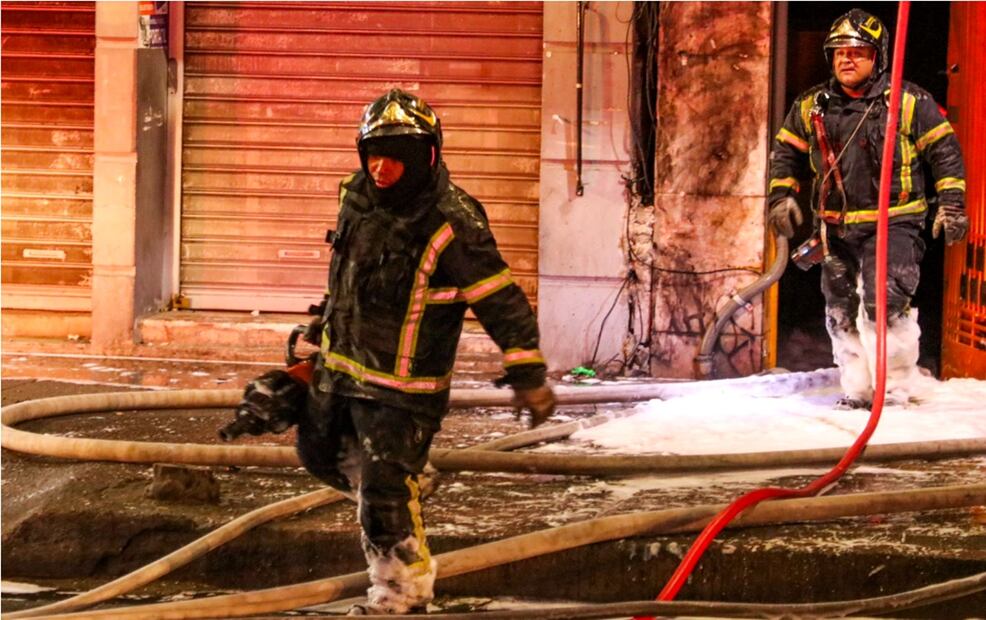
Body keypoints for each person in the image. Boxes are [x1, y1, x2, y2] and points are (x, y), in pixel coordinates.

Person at [296, 89, 556, 615]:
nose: (381, 167)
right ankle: (405, 480)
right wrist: (318, 327)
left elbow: (498, 297)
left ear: (427, 156)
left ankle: (400, 597)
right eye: (373, 154)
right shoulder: (356, 195)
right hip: (340, 368)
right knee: (318, 454)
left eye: (397, 157)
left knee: (382, 497)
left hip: (402, 389)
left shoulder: (452, 219)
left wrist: (526, 367)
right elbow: (347, 272)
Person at [768, 9, 968, 408]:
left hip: (895, 223)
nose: (846, 59)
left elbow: (945, 154)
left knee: (884, 304)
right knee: (841, 308)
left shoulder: (908, 102)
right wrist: (780, 196)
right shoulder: (812, 106)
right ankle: (859, 389)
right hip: (836, 228)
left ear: (877, 57)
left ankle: (892, 392)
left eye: (858, 51)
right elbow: (785, 152)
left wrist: (952, 206)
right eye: (839, 51)